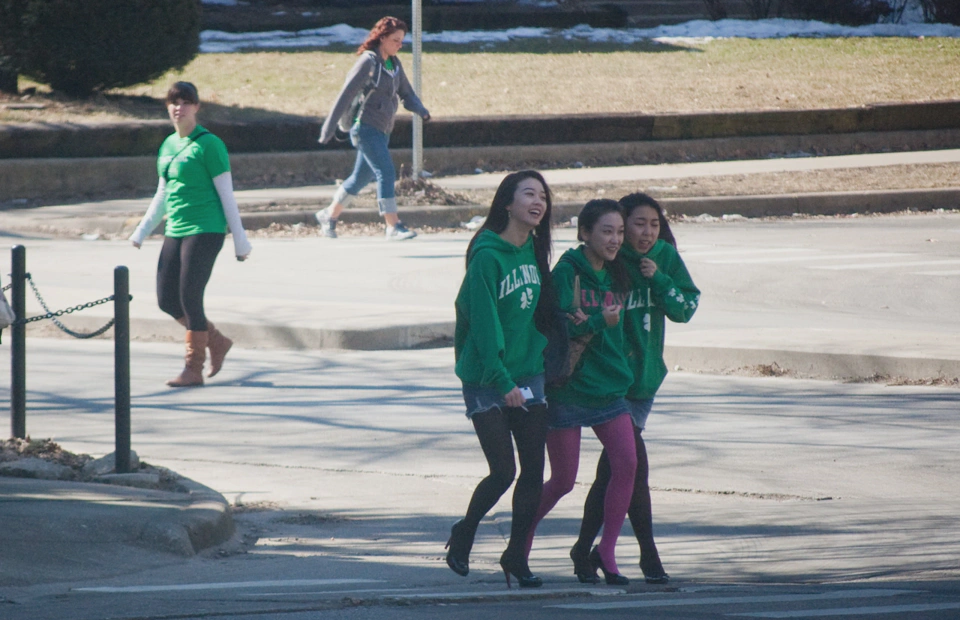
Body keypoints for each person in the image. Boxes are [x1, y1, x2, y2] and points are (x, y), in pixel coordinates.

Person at [571, 192, 700, 585]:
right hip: (612, 382)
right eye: (636, 225)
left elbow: (686, 308)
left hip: (644, 382)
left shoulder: (663, 258)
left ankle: (584, 550)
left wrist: (657, 278)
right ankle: (647, 556)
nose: (645, 233)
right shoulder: (608, 261)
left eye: (653, 224)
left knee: (615, 469)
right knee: (633, 468)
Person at [446, 170, 557, 589]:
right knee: (503, 470)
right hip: (486, 377)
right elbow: (483, 323)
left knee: (533, 470)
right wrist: (501, 380)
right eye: (529, 193)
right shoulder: (487, 256)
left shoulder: (532, 249)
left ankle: (516, 556)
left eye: (543, 196)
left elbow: (537, 313)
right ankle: (466, 530)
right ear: (506, 204)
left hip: (528, 372)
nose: (538, 201)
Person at [526, 199, 638, 586]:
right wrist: (596, 320)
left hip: (609, 390)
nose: (615, 239)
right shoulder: (566, 274)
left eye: (620, 232)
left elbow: (619, 331)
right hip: (569, 391)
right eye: (607, 231)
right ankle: (519, 545)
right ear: (584, 233)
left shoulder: (616, 274)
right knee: (562, 481)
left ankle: (606, 552)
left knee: (627, 465)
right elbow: (553, 331)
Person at [130, 81, 252, 388]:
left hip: (206, 228)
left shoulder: (210, 145)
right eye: (173, 102)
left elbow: (227, 195)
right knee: (166, 299)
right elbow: (162, 194)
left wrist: (240, 240)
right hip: (177, 228)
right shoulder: (168, 145)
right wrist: (142, 231)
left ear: (196, 107)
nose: (178, 107)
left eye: (185, 102)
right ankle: (217, 340)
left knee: (189, 298)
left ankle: (193, 369)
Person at [316, 16, 431, 241]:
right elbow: (345, 94)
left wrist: (421, 110)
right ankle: (392, 225)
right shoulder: (369, 62)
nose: (399, 45)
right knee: (386, 171)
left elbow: (406, 93)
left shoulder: (394, 64)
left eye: (401, 41)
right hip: (364, 128)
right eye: (396, 40)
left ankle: (329, 214)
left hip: (383, 130)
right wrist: (328, 129)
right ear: (383, 38)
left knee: (360, 178)